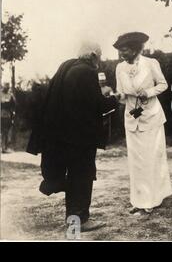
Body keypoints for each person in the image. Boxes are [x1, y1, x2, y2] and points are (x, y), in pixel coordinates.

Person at [26, 41, 119, 232]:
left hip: (59, 136)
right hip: (79, 137)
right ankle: (80, 220)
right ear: (93, 56)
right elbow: (97, 105)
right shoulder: (87, 72)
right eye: (99, 57)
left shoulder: (66, 66)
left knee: (73, 176)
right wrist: (113, 101)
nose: (99, 62)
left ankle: (67, 209)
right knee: (82, 177)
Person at [114, 32, 172, 216]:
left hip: (151, 116)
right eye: (120, 51)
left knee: (151, 158)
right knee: (136, 161)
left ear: (135, 49)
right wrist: (117, 97)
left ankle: (153, 199)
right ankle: (138, 200)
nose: (122, 54)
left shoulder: (150, 63)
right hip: (132, 117)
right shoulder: (119, 68)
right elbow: (121, 94)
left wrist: (148, 92)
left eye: (125, 50)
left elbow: (163, 85)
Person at [1, 82, 15, 153]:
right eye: (6, 86)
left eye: (8, 87)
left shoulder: (10, 95)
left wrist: (12, 114)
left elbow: (14, 105)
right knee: (3, 132)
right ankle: (3, 147)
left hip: (7, 115)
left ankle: (4, 147)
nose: (7, 88)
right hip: (1, 115)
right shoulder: (0, 94)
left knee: (6, 132)